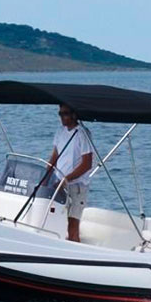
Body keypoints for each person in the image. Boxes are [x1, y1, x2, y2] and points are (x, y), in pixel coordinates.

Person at [45, 103, 95, 242]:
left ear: (74, 114)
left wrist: (66, 179)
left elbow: (87, 164)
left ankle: (76, 248)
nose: (62, 117)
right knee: (57, 221)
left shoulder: (82, 134)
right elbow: (54, 157)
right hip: (59, 185)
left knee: (72, 225)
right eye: (60, 114)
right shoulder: (60, 132)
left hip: (76, 186)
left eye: (65, 114)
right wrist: (44, 179)